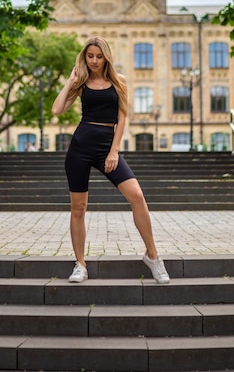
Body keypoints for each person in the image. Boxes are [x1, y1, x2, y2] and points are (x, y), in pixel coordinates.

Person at [52, 35, 170, 285]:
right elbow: (57, 109)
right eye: (90, 56)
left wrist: (114, 151)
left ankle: (153, 256)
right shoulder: (81, 83)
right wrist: (70, 81)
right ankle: (80, 264)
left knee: (137, 196)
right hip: (81, 147)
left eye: (99, 56)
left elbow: (122, 117)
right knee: (78, 208)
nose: (94, 61)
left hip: (108, 144)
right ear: (85, 57)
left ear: (106, 57)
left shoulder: (119, 82)